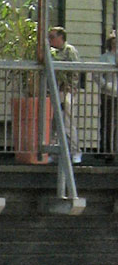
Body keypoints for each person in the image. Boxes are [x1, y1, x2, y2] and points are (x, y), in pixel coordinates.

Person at [49, 25, 82, 163]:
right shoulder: (50, 52)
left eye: (52, 37)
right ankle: (55, 152)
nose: (49, 40)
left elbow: (76, 70)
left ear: (61, 38)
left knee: (67, 122)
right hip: (53, 90)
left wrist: (71, 87)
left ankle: (75, 151)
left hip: (65, 90)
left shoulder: (69, 51)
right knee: (54, 123)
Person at [100, 31, 117, 156]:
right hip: (109, 94)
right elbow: (97, 75)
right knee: (108, 123)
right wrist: (106, 85)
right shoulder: (105, 57)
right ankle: (107, 150)